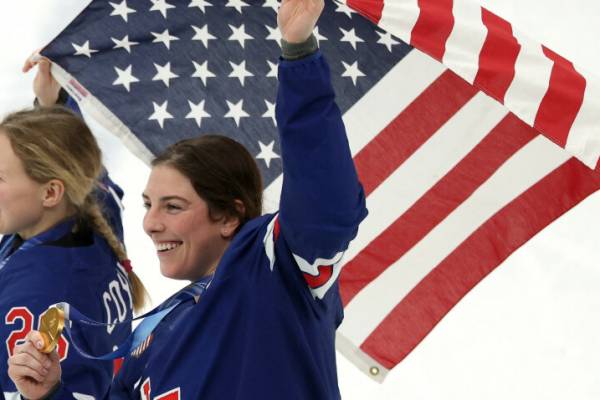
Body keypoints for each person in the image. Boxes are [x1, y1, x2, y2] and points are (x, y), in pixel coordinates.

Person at [8, 0, 367, 398]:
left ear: (229, 216)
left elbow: (325, 198)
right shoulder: (149, 337)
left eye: (173, 206)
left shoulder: (274, 267)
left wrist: (298, 52)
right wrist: (48, 391)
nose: (150, 224)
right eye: (149, 204)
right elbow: (88, 198)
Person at [0, 55, 147, 399]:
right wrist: (54, 102)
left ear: (51, 192)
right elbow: (78, 155)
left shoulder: (38, 298)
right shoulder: (94, 204)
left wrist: (44, 394)